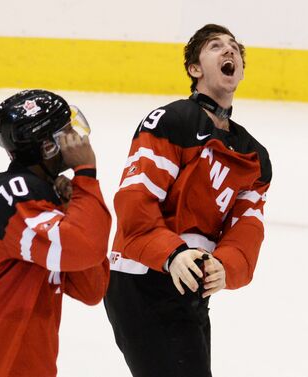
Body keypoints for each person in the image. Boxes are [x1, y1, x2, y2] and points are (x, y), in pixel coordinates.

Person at [104, 24, 272, 377]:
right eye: (215, 47)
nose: (229, 51)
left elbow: (247, 227)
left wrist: (226, 265)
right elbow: (136, 202)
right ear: (195, 70)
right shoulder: (172, 121)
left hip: (191, 287)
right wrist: (172, 253)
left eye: (234, 48)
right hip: (140, 280)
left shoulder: (254, 155)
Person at [0, 89, 111, 377]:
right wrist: (86, 175)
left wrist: (73, 204)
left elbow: (91, 289)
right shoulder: (13, 194)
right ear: (47, 146)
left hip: (19, 358)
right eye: (66, 133)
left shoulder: (44, 195)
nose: (77, 138)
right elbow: (83, 249)